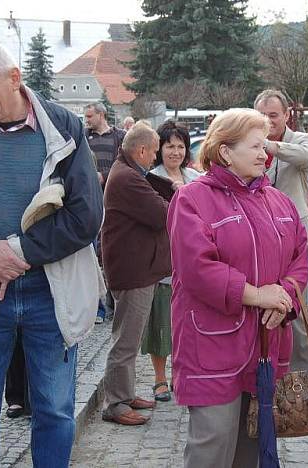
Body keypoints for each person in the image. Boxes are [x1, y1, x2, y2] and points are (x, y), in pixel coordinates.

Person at [0, 42, 104, 467]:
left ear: (14, 78)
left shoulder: (62, 126)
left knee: (55, 411)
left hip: (51, 293)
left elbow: (87, 216)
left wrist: (19, 251)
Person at [168, 109, 308, 467]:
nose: (265, 154)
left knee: (252, 444)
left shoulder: (278, 201)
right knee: (211, 448)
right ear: (225, 152)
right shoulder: (192, 199)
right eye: (256, 146)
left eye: (266, 146)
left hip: (265, 345)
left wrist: (284, 298)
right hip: (212, 348)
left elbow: (300, 256)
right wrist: (257, 295)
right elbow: (197, 268)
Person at [100, 121, 171, 425]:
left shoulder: (127, 171)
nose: (155, 157)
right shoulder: (127, 177)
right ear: (141, 150)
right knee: (125, 341)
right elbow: (161, 214)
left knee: (128, 337)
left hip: (136, 268)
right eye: (154, 151)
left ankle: (124, 395)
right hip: (133, 271)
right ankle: (115, 404)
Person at [253, 89, 308, 373]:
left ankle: (304, 387)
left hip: (296, 244)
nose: (268, 121)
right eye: (262, 116)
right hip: (258, 242)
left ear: (287, 115)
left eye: (273, 115)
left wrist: (269, 146)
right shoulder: (248, 143)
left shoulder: (300, 140)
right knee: (262, 317)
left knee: (298, 318)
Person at [141, 120, 201, 403]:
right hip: (163, 260)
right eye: (169, 146)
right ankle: (159, 378)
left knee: (186, 325)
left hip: (191, 259)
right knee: (161, 322)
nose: (175, 152)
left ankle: (182, 374)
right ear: (159, 149)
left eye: (180, 146)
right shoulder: (151, 179)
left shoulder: (195, 177)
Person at [85, 102, 127, 322]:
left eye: (90, 116)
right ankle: (97, 308)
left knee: (112, 251)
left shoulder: (119, 136)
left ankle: (113, 304)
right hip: (91, 202)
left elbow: (125, 162)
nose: (87, 120)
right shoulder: (84, 136)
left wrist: (104, 175)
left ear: (101, 115)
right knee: (93, 254)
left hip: (114, 202)